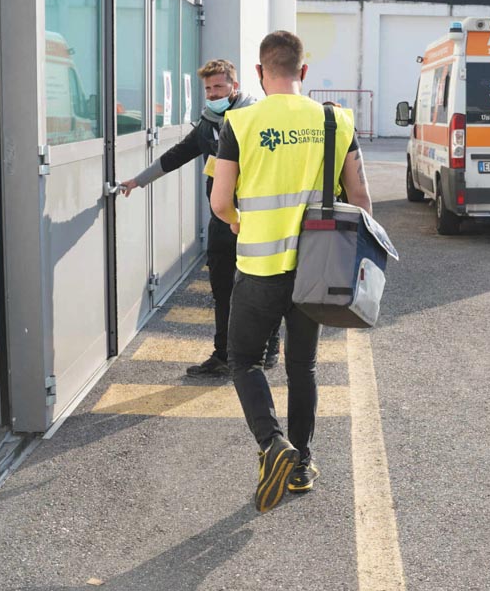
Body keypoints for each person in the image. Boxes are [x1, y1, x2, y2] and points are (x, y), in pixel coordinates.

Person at [210, 30, 372, 513]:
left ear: (259, 73)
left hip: (259, 268)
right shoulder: (335, 120)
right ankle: (301, 464)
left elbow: (220, 202)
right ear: (304, 71)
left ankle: (271, 442)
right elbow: (360, 199)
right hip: (316, 271)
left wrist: (238, 221)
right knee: (302, 365)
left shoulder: (240, 122)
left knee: (244, 359)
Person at [121, 59, 280, 376]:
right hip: (222, 220)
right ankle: (223, 356)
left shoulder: (259, 118)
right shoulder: (208, 123)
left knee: (264, 289)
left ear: (235, 86)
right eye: (208, 88)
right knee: (222, 291)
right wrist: (138, 180)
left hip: (258, 220)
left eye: (219, 86)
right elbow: (177, 155)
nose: (213, 93)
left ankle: (269, 348)